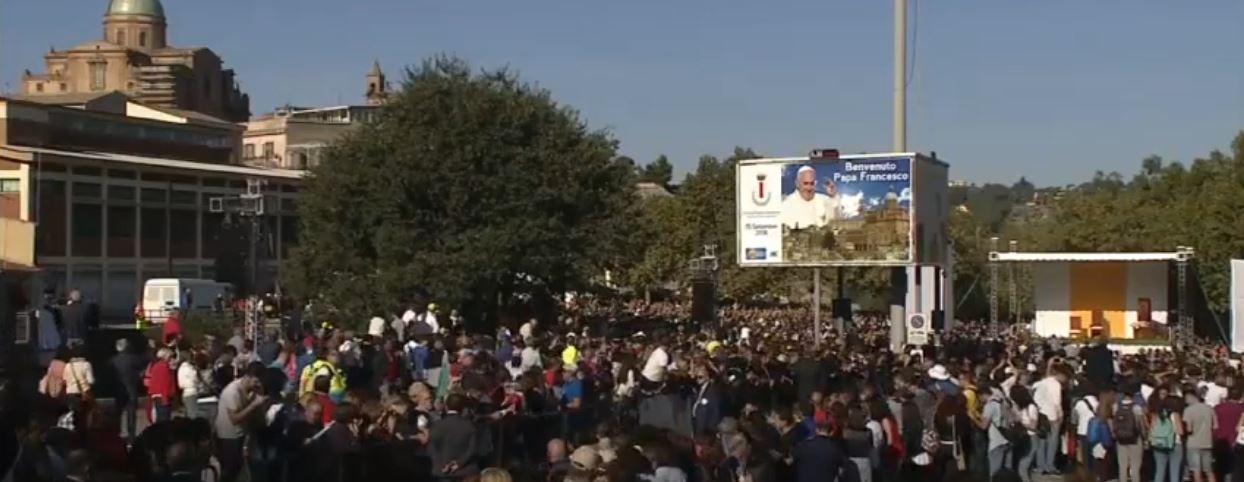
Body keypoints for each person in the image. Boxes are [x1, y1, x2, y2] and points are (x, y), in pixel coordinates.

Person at [215, 363, 269, 482]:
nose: (258, 384)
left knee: (239, 468)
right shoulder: (232, 392)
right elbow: (234, 419)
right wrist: (254, 404)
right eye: (256, 381)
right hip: (228, 436)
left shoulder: (253, 390)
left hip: (242, 434)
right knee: (230, 469)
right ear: (248, 377)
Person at [428, 394, 478, 480]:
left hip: (441, 471)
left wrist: (441, 464)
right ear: (463, 408)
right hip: (463, 472)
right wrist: (459, 463)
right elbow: (472, 450)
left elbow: (431, 447)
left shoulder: (436, 425)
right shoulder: (469, 426)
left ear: (446, 407)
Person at [781, 165, 840, 229]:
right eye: (805, 183)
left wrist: (834, 195)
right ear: (797, 183)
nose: (809, 188)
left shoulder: (824, 199)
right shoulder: (786, 205)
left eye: (811, 183)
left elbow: (836, 221)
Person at [1113, 384, 1147, 482]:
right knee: (1135, 467)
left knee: (1122, 466)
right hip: (1135, 438)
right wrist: (1145, 437)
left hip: (1121, 439)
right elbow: (1141, 424)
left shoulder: (1116, 407)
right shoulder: (1136, 407)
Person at [1184, 387, 1218, 482]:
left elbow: (1188, 429)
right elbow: (1215, 427)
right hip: (1207, 442)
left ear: (1191, 396)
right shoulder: (1210, 409)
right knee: (1209, 471)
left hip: (1193, 443)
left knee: (1196, 471)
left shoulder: (1188, 410)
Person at [61, 342, 95, 415]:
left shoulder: (68, 366)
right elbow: (91, 381)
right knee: (83, 416)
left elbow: (64, 381)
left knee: (72, 415)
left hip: (70, 394)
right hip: (83, 395)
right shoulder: (86, 364)